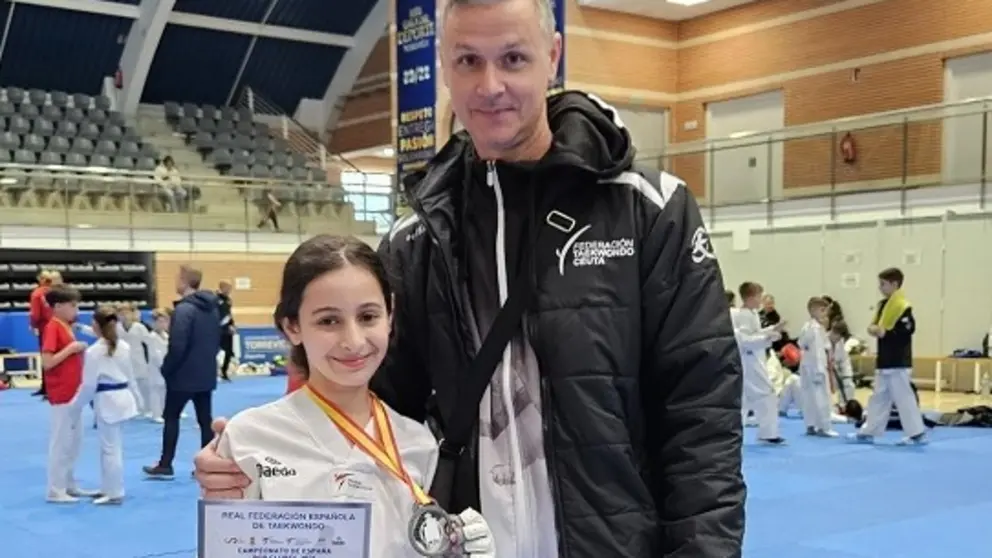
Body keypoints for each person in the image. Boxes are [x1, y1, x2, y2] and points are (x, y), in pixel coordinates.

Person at [195, 0, 746, 555]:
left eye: (513, 58)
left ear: (552, 56)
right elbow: (372, 409)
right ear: (443, 66)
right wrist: (263, 457)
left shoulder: (649, 210)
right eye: (468, 61)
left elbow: (701, 412)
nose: (490, 86)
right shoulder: (416, 240)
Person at [216, 235, 495, 557]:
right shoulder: (249, 439)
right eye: (328, 321)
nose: (354, 341)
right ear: (292, 327)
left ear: (390, 315)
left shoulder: (417, 444)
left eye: (367, 317)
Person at [143, 266, 221, 479]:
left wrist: (167, 369)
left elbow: (178, 344)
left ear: (185, 281)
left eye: (178, 278)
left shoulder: (184, 310)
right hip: (205, 372)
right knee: (205, 420)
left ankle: (165, 463)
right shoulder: (212, 309)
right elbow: (216, 340)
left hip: (182, 375)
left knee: (171, 418)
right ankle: (207, 465)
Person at [852, 267, 928, 445]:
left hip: (898, 360)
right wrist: (873, 329)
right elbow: (877, 326)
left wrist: (885, 333)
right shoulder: (882, 306)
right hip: (884, 359)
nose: (880, 287)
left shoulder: (903, 306)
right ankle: (869, 431)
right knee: (878, 397)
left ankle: (916, 433)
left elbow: (907, 330)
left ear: (895, 284)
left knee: (904, 398)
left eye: (883, 284)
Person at [71, 305, 139, 505]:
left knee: (110, 449)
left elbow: (88, 385)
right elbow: (131, 376)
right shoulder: (123, 346)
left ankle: (115, 492)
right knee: (112, 447)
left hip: (108, 400)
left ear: (96, 326)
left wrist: (76, 405)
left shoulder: (94, 352)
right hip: (123, 397)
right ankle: (109, 487)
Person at [40, 284, 95, 502]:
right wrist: (71, 349)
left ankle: (68, 483)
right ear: (58, 306)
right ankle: (55, 489)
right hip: (62, 392)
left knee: (74, 442)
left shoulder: (66, 326)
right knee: (61, 442)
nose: (76, 310)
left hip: (74, 392)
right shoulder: (53, 327)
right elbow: (47, 362)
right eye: (72, 305)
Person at [730, 282, 785, 444]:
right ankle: (768, 433)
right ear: (750, 297)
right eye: (759, 296)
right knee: (766, 394)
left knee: (745, 398)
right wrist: (768, 337)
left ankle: (735, 433)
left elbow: (755, 333)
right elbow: (745, 340)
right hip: (750, 360)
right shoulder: (742, 315)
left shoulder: (752, 313)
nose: (761, 300)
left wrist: (772, 329)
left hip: (753, 359)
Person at [797, 297, 838, 437]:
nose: (825, 314)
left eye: (826, 311)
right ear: (813, 310)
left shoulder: (809, 326)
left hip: (808, 366)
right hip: (816, 366)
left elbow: (802, 344)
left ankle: (811, 424)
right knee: (822, 397)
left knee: (809, 396)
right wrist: (820, 369)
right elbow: (817, 350)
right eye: (822, 310)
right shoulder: (814, 328)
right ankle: (824, 427)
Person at [117, 303, 150, 418]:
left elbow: (149, 342)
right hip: (123, 360)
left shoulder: (139, 327)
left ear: (132, 314)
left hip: (139, 359)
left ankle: (147, 408)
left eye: (126, 313)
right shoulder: (116, 327)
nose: (124, 316)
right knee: (128, 386)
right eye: (121, 313)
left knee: (144, 385)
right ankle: (132, 408)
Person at [30, 270, 56, 398]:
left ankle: (46, 387)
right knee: (56, 356)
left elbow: (35, 314)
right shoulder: (56, 292)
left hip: (44, 328)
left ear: (40, 279)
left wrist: (33, 325)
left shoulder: (37, 293)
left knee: (45, 356)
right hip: (57, 326)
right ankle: (51, 386)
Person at [145, 308, 172, 423]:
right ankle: (156, 413)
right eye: (160, 321)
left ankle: (166, 411)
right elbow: (155, 354)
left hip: (167, 366)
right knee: (156, 390)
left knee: (165, 390)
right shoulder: (151, 336)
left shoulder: (166, 336)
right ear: (154, 323)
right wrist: (163, 365)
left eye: (165, 321)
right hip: (156, 367)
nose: (163, 324)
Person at [216, 280, 236, 381]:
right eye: (228, 288)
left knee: (229, 351)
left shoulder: (228, 300)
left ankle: (224, 371)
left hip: (227, 329)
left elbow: (229, 314)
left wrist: (232, 325)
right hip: (217, 329)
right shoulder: (215, 299)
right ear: (222, 287)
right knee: (214, 351)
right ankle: (212, 371)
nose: (229, 290)